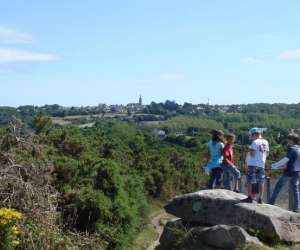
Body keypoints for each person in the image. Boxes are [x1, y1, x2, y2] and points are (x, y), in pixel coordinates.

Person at [268, 133, 300, 212]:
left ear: (292, 140)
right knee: (295, 190)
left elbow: (285, 159)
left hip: (289, 172)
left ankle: (271, 203)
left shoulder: (292, 149)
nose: (288, 141)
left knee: (278, 187)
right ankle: (297, 208)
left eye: (289, 139)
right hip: (297, 173)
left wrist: (275, 165)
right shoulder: (299, 149)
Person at [241, 128, 269, 203]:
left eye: (251, 135)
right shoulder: (266, 142)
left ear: (254, 134)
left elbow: (252, 154)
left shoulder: (255, 142)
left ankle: (250, 197)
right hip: (261, 164)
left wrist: (249, 151)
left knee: (250, 180)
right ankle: (260, 199)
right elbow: (267, 154)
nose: (251, 137)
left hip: (253, 164)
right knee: (261, 181)